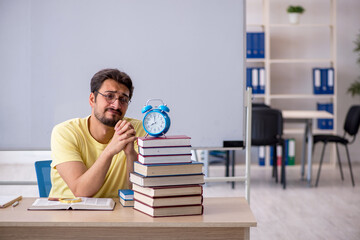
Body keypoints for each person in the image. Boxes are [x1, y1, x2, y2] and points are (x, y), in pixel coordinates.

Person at [48, 68, 146, 198]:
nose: (116, 105)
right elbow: (81, 191)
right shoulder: (65, 132)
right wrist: (110, 150)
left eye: (123, 99)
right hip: (69, 212)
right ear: (92, 99)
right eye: (109, 96)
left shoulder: (138, 130)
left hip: (117, 214)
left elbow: (140, 192)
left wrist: (131, 154)